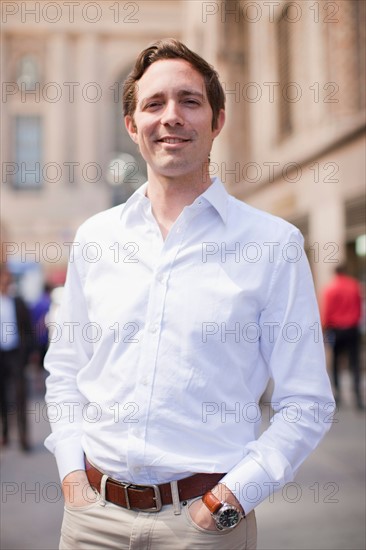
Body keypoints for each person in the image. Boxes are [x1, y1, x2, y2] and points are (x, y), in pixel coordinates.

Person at [44, 38, 335, 550]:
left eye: (190, 101)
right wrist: (71, 474)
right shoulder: (96, 239)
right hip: (92, 523)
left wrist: (231, 500)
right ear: (132, 126)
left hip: (205, 528)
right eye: (153, 104)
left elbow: (306, 401)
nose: (171, 116)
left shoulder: (273, 244)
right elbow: (66, 370)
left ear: (217, 120)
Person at [0, 263, 34, 451]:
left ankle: (23, 437)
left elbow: (28, 330)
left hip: (15, 355)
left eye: (8, 277)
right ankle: (5, 432)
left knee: (20, 396)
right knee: (2, 398)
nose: (7, 281)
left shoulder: (18, 301)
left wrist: (30, 353)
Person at [322, 265, 364, 409]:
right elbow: (359, 308)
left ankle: (337, 395)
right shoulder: (354, 286)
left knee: (334, 362)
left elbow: (327, 311)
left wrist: (325, 327)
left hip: (335, 330)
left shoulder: (331, 288)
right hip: (352, 329)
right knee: (354, 362)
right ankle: (357, 396)